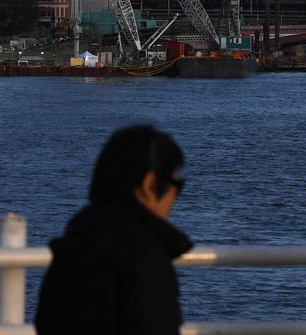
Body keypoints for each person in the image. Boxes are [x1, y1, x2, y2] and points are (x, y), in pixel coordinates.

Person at [35, 125, 193, 335]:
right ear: (149, 184)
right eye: (177, 185)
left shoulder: (72, 245)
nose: (175, 197)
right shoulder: (143, 254)